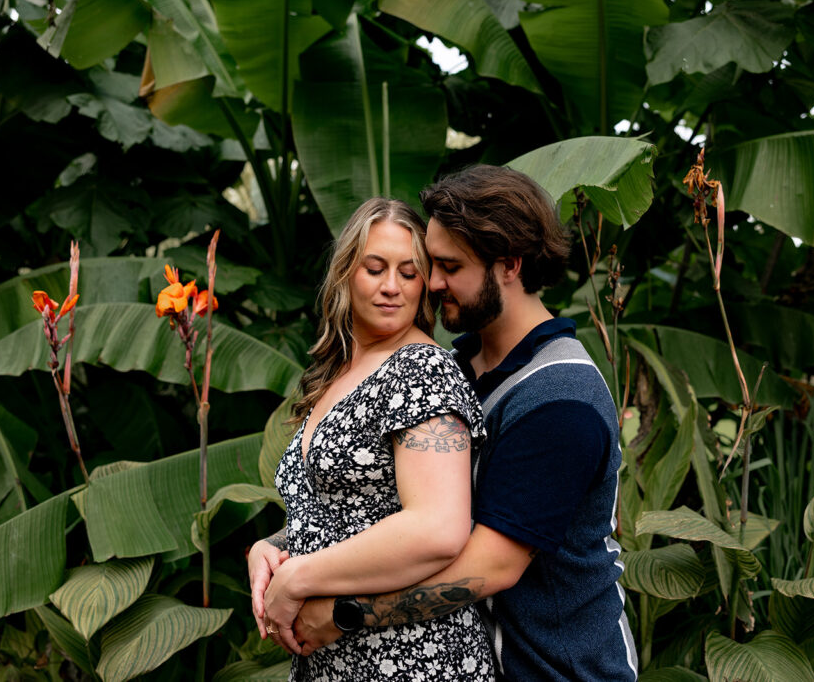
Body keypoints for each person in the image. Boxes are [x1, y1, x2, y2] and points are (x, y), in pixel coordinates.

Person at [278, 166, 639, 680]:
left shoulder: (560, 398)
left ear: (509, 265)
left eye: (448, 266)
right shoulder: (466, 366)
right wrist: (275, 549)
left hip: (557, 669)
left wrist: (344, 613)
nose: (433, 282)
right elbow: (373, 505)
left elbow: (491, 565)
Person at [247, 197, 495, 681]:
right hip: (333, 660)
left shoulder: (422, 370)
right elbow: (345, 513)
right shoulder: (339, 371)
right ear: (345, 273)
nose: (391, 287)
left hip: (412, 659)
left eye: (408, 272)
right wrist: (270, 547)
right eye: (375, 268)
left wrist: (299, 576)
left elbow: (438, 529)